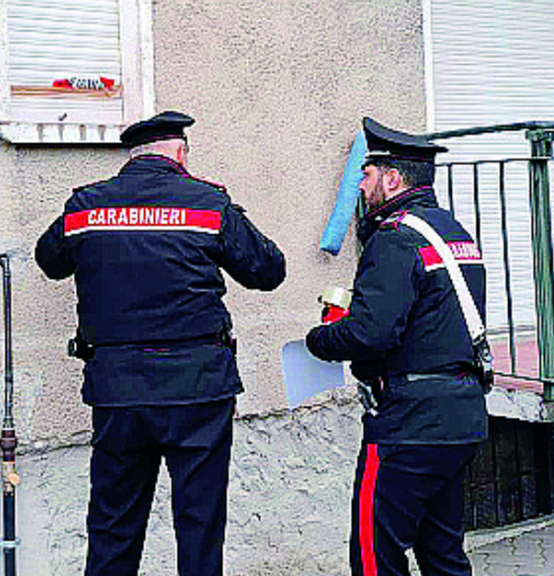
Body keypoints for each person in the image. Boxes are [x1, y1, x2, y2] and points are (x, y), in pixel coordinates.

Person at [35, 110, 286, 576]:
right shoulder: (208, 203)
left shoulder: (86, 206)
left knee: (113, 525)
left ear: (132, 157)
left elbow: (48, 261)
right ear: (180, 153)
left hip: (119, 391)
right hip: (198, 389)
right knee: (199, 524)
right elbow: (268, 270)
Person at [305, 117, 488, 576]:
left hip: (409, 425)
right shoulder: (453, 232)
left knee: (375, 557)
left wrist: (320, 339)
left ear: (392, 179)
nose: (361, 186)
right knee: (443, 554)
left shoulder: (394, 239)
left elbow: (371, 334)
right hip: (461, 415)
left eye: (366, 175)